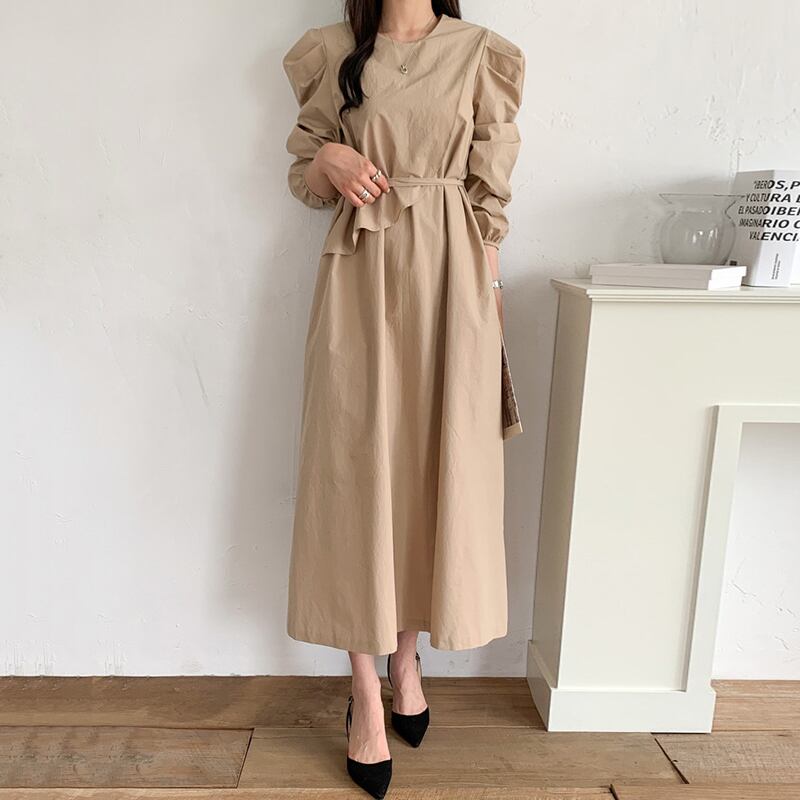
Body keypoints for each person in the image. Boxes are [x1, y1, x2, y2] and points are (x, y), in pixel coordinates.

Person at [282, 1, 525, 796]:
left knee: (428, 466)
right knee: (356, 475)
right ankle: (364, 693)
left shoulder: (481, 54)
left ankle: (407, 661)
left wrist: (489, 300)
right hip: (360, 278)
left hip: (452, 283)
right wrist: (330, 161)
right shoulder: (332, 51)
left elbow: (490, 198)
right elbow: (305, 176)